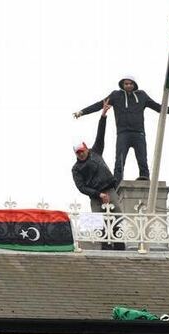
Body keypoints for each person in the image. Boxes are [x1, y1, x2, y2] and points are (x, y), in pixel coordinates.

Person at [73, 75, 169, 186]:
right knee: (120, 160)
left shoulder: (142, 96)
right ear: (122, 84)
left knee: (142, 159)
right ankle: (117, 182)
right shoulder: (116, 95)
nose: (128, 85)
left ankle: (145, 179)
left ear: (134, 85)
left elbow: (158, 107)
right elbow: (99, 105)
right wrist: (82, 112)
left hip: (139, 133)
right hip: (123, 133)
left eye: (131, 84)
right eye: (126, 84)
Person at [72, 99, 125, 251]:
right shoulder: (76, 168)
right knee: (100, 220)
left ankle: (119, 244)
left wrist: (103, 115)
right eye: (78, 153)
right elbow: (81, 187)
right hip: (96, 195)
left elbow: (100, 135)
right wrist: (98, 194)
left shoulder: (96, 152)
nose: (81, 154)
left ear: (86, 148)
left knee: (117, 215)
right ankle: (105, 246)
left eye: (82, 151)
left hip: (109, 189)